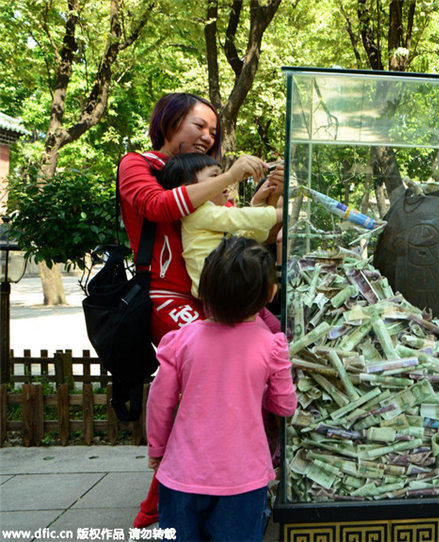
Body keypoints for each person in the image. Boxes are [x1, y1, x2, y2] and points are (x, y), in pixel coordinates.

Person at [118, 92, 283, 528]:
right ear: (169, 121)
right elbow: (158, 206)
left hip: (210, 298)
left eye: (213, 130)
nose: (207, 135)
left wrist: (263, 195)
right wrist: (228, 175)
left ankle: (203, 487)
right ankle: (167, 497)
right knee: (206, 385)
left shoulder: (204, 178)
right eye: (199, 125)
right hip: (168, 298)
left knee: (213, 390)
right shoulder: (139, 165)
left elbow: (233, 229)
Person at [146, 236, 297, 541]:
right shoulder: (272, 345)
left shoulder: (181, 340)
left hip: (181, 476)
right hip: (244, 479)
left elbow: (159, 400)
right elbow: (285, 406)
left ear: (203, 290)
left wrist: (157, 448)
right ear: (270, 293)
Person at [154, 152, 282, 298]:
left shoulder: (215, 213)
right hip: (217, 297)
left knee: (272, 322)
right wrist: (278, 214)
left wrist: (260, 205)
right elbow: (238, 218)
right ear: (188, 188)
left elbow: (253, 235)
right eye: (215, 176)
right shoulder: (197, 213)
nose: (223, 181)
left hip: (228, 293)